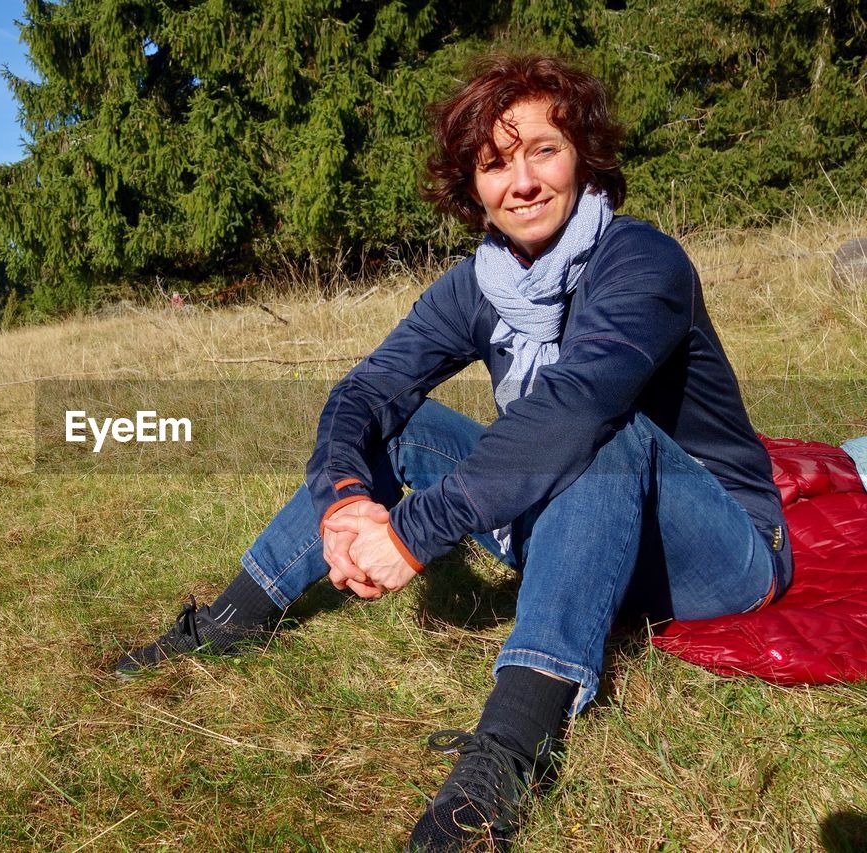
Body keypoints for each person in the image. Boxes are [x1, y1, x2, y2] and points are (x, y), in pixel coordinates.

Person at [111, 54, 792, 851]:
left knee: (598, 428)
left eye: (544, 149)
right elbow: (366, 394)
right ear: (473, 189)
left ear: (585, 157)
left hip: (721, 548)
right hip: (577, 526)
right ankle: (233, 618)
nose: (523, 181)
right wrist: (344, 498)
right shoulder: (482, 285)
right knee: (397, 426)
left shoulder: (642, 261)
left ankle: (508, 748)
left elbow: (577, 409)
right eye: (495, 163)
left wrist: (412, 532)